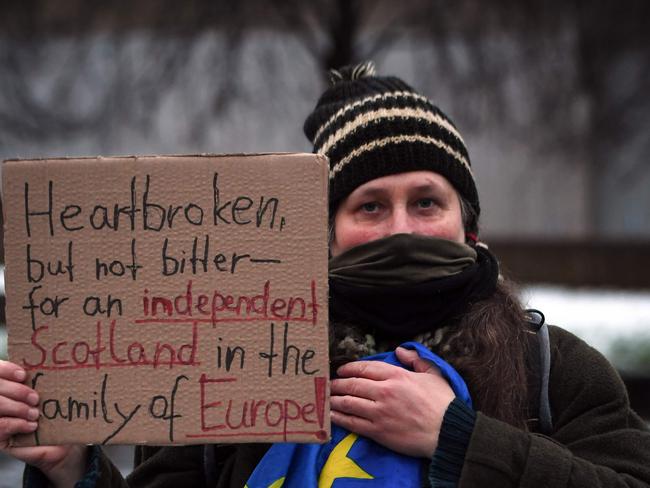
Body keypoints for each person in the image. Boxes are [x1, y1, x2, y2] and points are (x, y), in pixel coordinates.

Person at [2, 60, 650, 487]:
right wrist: (73, 467)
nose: (400, 226)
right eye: (370, 206)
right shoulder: (229, 369)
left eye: (426, 201)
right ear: (324, 235)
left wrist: (460, 439)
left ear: (468, 224)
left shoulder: (550, 366)